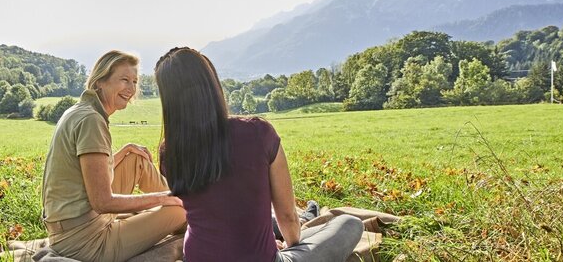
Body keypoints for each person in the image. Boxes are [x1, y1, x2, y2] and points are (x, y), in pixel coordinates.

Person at [154, 47, 363, 262]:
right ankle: (307, 221)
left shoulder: (168, 152)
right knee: (349, 224)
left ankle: (307, 219)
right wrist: (290, 250)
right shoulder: (258, 132)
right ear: (211, 83)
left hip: (196, 256)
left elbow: (212, 210)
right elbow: (288, 217)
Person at [40, 50, 186, 262]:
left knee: (135, 159)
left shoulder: (82, 110)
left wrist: (124, 151)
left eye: (134, 81)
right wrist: (163, 198)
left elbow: (86, 172)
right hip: (84, 241)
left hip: (71, 227)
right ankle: (186, 208)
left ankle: (182, 200)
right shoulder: (91, 121)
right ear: (100, 82)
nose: (131, 88)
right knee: (179, 212)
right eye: (124, 80)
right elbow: (102, 202)